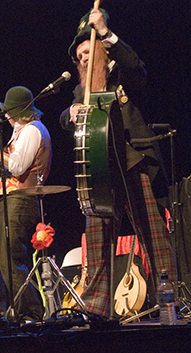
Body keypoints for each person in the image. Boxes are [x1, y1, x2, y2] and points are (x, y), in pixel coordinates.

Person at [59, 8, 176, 318]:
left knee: (153, 235)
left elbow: (138, 68)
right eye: (79, 55)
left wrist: (107, 33)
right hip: (99, 170)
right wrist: (71, 113)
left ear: (102, 49)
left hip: (132, 162)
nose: (83, 58)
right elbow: (65, 117)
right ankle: (96, 310)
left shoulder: (123, 74)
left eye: (88, 51)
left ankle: (169, 303)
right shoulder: (81, 89)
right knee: (97, 245)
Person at [0, 86, 51, 321]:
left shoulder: (32, 131)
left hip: (20, 201)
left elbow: (16, 167)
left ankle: (33, 313)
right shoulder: (20, 132)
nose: (5, 115)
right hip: (7, 201)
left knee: (8, 256)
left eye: (8, 111)